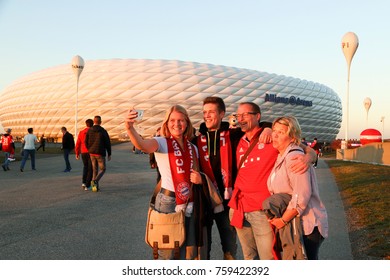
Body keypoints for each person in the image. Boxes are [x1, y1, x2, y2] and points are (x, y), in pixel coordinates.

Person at [124, 105, 223, 260]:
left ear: (187, 123)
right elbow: (142, 145)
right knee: (168, 252)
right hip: (168, 201)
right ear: (167, 123)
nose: (176, 124)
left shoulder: (193, 148)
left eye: (181, 120)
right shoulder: (161, 142)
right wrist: (130, 128)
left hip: (190, 202)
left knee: (186, 251)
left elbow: (196, 173)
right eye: (172, 120)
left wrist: (200, 179)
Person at [228, 102, 315, 260]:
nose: (240, 119)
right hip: (239, 207)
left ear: (258, 117)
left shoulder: (272, 139)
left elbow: (298, 145)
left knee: (268, 258)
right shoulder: (238, 140)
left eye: (245, 115)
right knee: (249, 257)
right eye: (238, 115)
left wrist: (310, 156)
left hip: (261, 211)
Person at [267, 116, 328, 260]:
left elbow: (301, 195)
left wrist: (282, 220)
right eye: (274, 130)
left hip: (306, 225)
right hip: (295, 223)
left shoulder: (294, 157)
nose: (274, 135)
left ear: (292, 137)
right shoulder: (282, 155)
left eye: (281, 132)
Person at [85, 116, 111, 192]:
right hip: (100, 153)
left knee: (95, 170)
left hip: (92, 153)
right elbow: (107, 143)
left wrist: (89, 149)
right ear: (100, 122)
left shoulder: (90, 130)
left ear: (94, 121)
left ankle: (94, 187)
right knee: (103, 169)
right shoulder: (103, 131)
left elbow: (86, 141)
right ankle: (95, 181)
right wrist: (109, 153)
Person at [75, 119, 94, 191]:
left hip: (83, 152)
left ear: (86, 124)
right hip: (90, 152)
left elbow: (78, 144)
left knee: (85, 167)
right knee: (91, 168)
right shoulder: (93, 132)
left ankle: (83, 182)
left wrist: (77, 153)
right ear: (92, 124)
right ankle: (87, 184)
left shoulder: (81, 132)